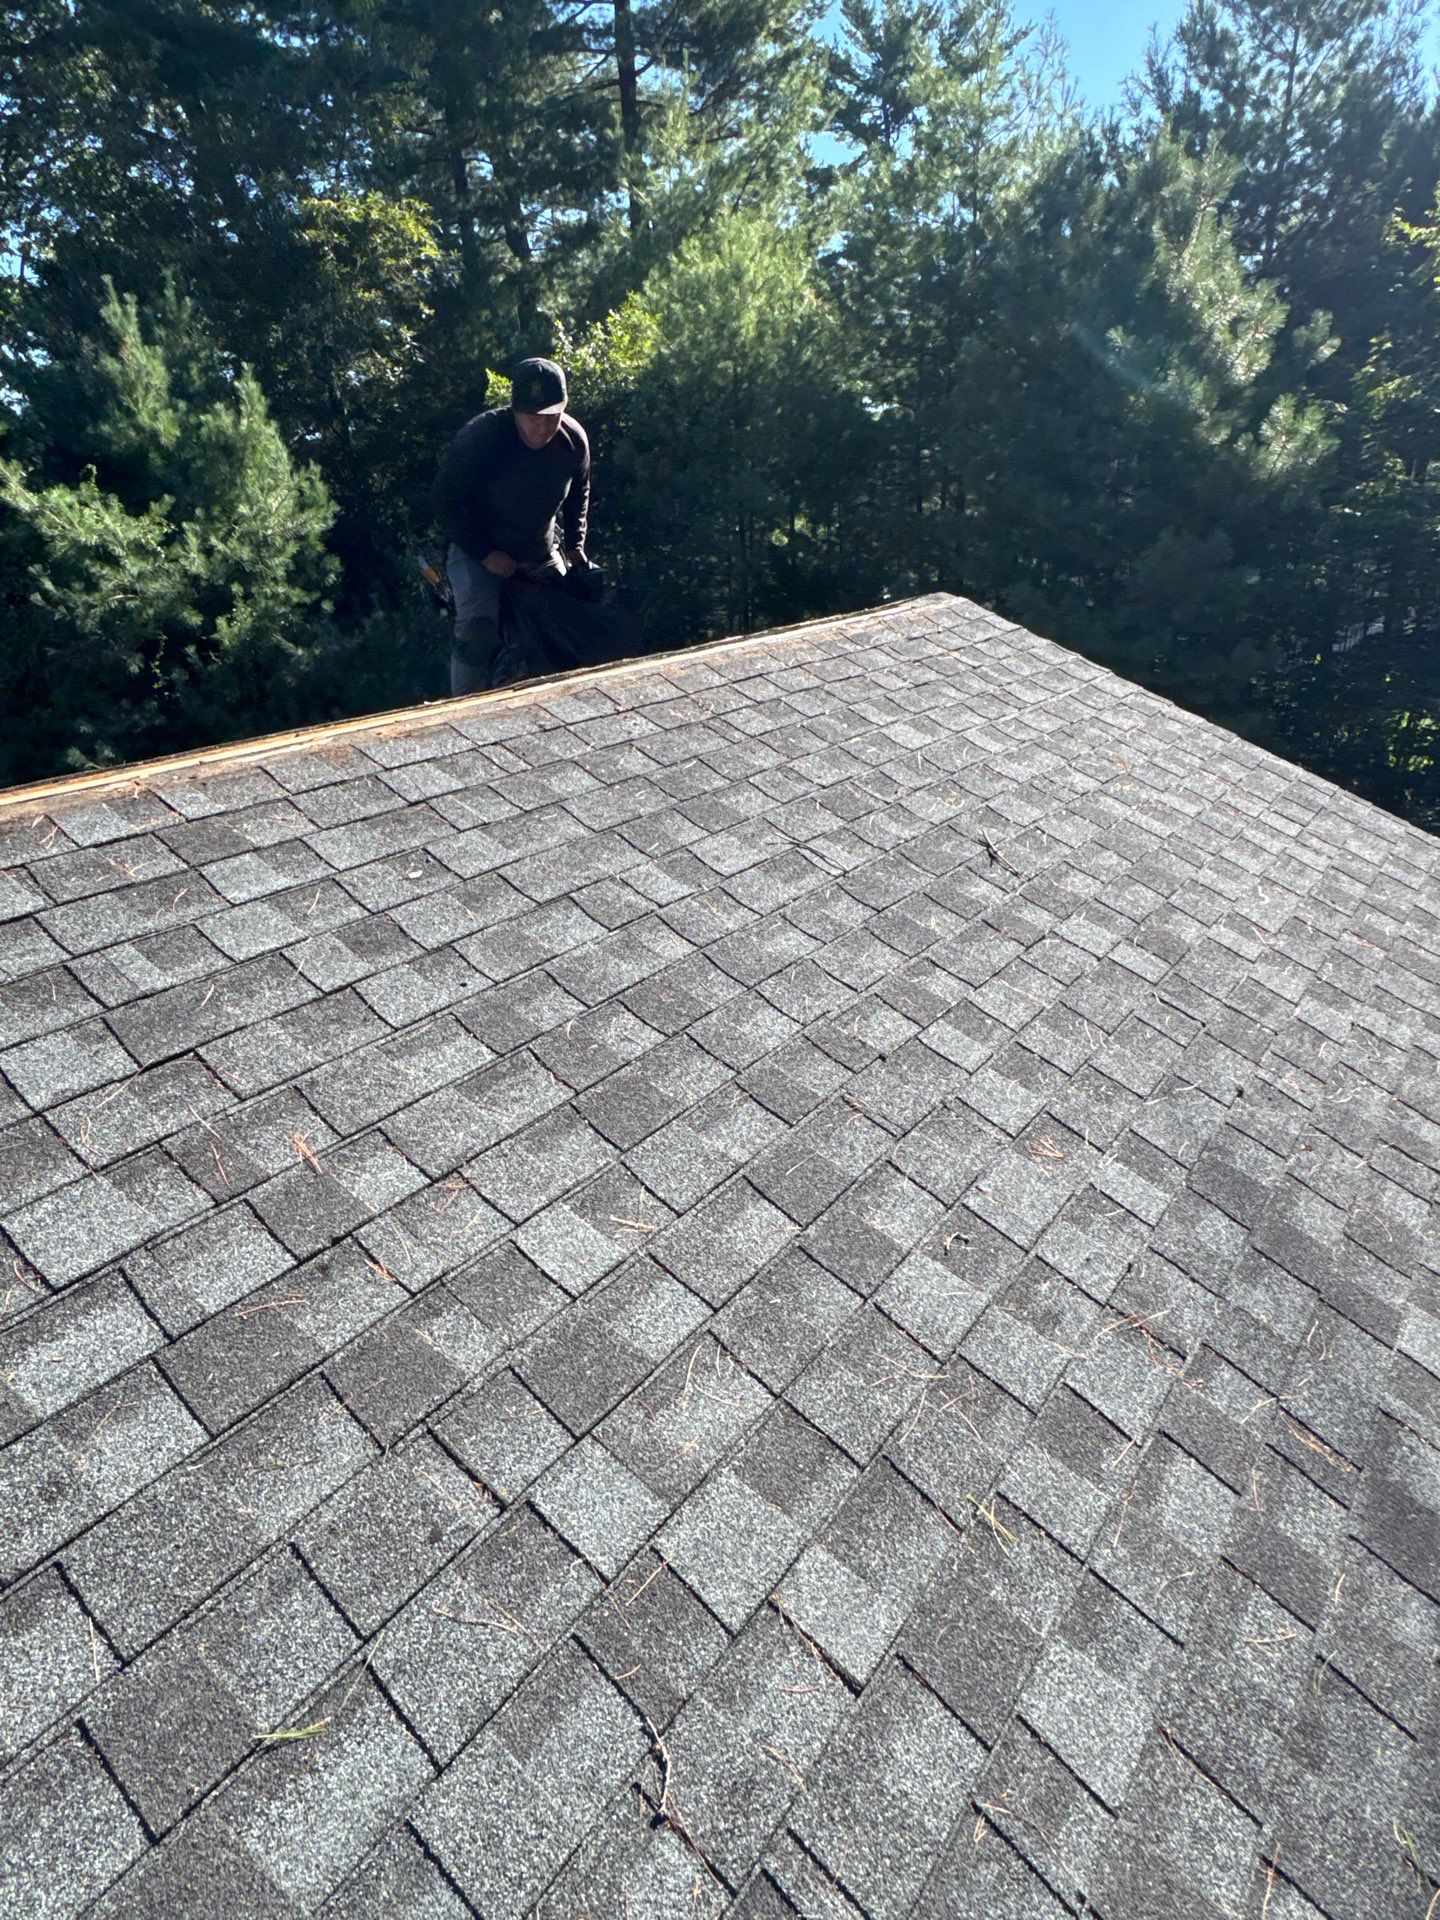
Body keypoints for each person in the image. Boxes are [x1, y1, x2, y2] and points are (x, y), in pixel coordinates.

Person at [432, 356, 593, 694]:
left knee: (571, 619)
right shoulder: (481, 439)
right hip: (477, 548)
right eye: (532, 417)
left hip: (539, 547)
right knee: (477, 629)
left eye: (552, 416)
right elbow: (445, 504)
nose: (542, 426)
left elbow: (580, 489)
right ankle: (463, 709)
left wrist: (576, 546)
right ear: (515, 410)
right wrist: (487, 554)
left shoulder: (573, 442)